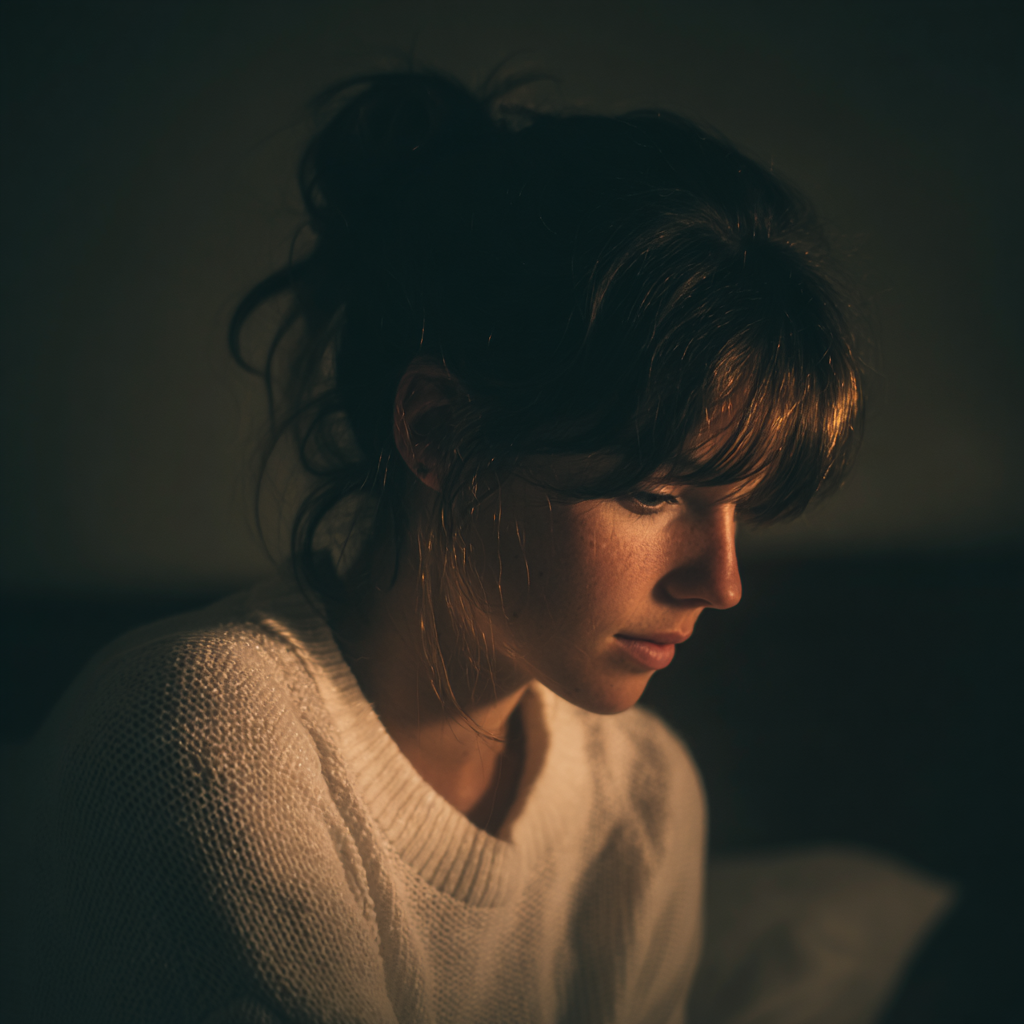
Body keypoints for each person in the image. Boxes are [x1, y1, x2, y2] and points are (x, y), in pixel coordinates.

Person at [2, 70, 863, 1023]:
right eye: (652, 493)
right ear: (441, 432)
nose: (723, 581)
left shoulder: (645, 799)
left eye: (738, 506)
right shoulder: (208, 745)